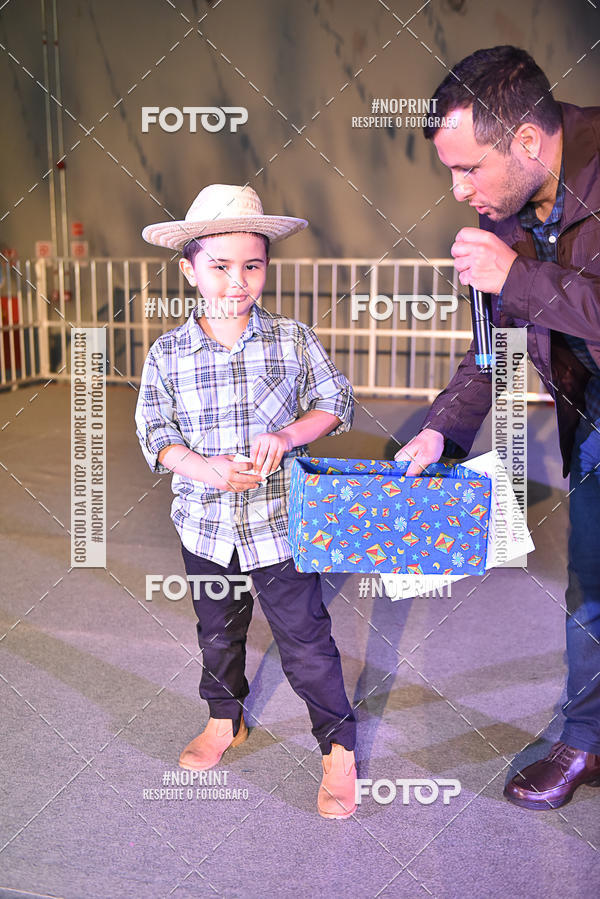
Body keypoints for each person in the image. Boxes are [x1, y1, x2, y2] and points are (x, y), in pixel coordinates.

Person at [397, 46, 600, 810]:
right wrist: (441, 433)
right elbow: (495, 349)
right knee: (593, 585)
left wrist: (518, 277)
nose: (458, 189)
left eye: (467, 169)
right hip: (593, 416)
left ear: (525, 142)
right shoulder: (508, 215)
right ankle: (584, 740)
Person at [135, 184, 357, 819]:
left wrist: (287, 435)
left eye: (252, 265)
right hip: (205, 527)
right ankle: (224, 719)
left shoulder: (291, 338)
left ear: (266, 266)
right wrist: (202, 468)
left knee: (305, 638)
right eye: (220, 266)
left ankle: (337, 744)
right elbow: (157, 434)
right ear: (190, 268)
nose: (238, 281)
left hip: (280, 524)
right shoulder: (168, 353)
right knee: (218, 632)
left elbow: (333, 402)